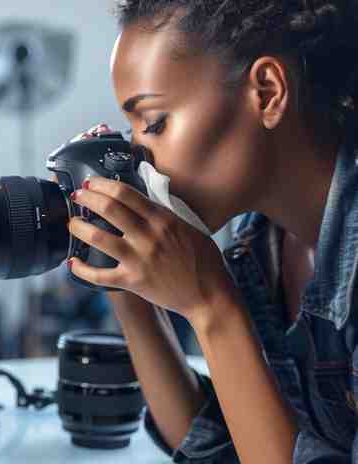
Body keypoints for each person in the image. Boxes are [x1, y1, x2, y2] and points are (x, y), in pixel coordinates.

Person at [66, 1, 358, 462]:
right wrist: (122, 282)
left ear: (266, 92)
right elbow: (221, 446)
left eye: (154, 123)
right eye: (132, 132)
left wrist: (212, 308)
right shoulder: (259, 241)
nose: (139, 159)